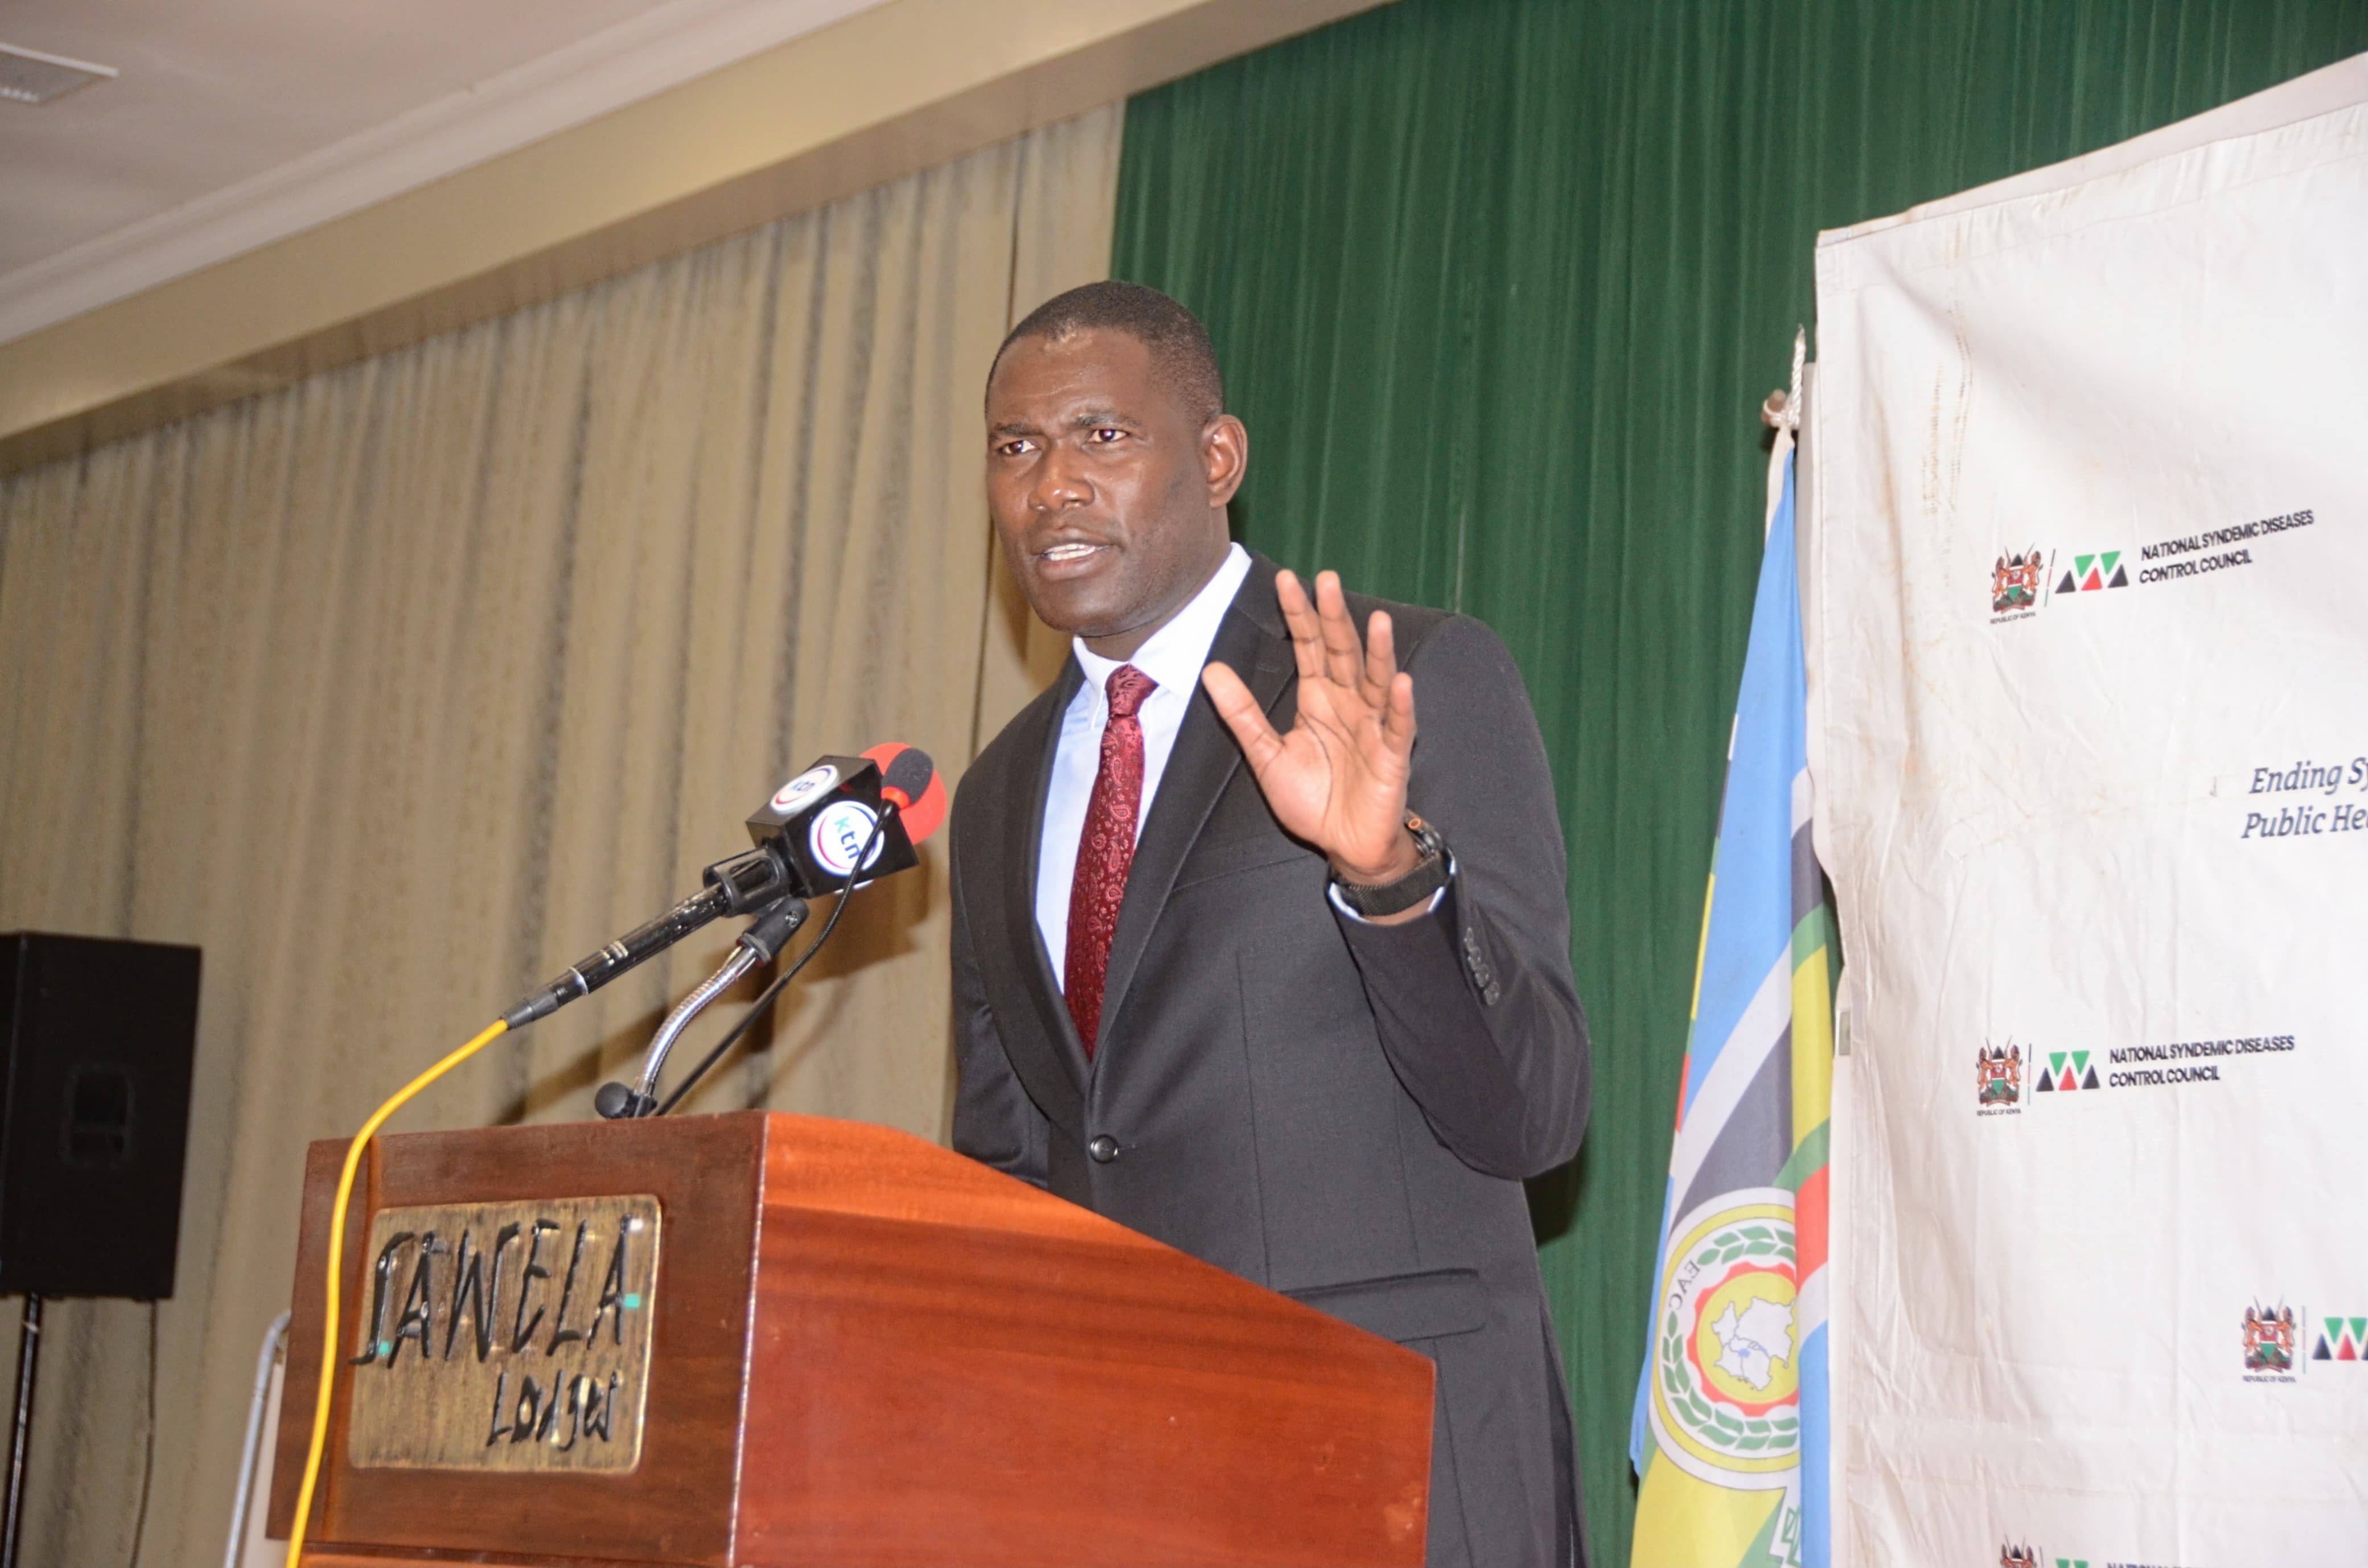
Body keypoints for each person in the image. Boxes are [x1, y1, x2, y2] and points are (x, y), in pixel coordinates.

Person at [949, 280, 1592, 1567]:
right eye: (1017, 450)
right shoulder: (994, 791)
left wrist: (1392, 876)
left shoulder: (1399, 675)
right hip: (1116, 1482)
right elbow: (1006, 1165)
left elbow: (1535, 1114)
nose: (1052, 488)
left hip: (1394, 1454)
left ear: (1218, 456)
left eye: (1102, 437)